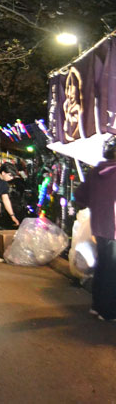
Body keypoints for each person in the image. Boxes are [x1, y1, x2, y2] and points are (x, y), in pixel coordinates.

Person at [74, 135, 116, 321]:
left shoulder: (95, 172)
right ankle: (108, 312)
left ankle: (97, 306)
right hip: (114, 228)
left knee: (103, 266)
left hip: (99, 227)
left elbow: (79, 196)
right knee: (112, 269)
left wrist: (96, 204)